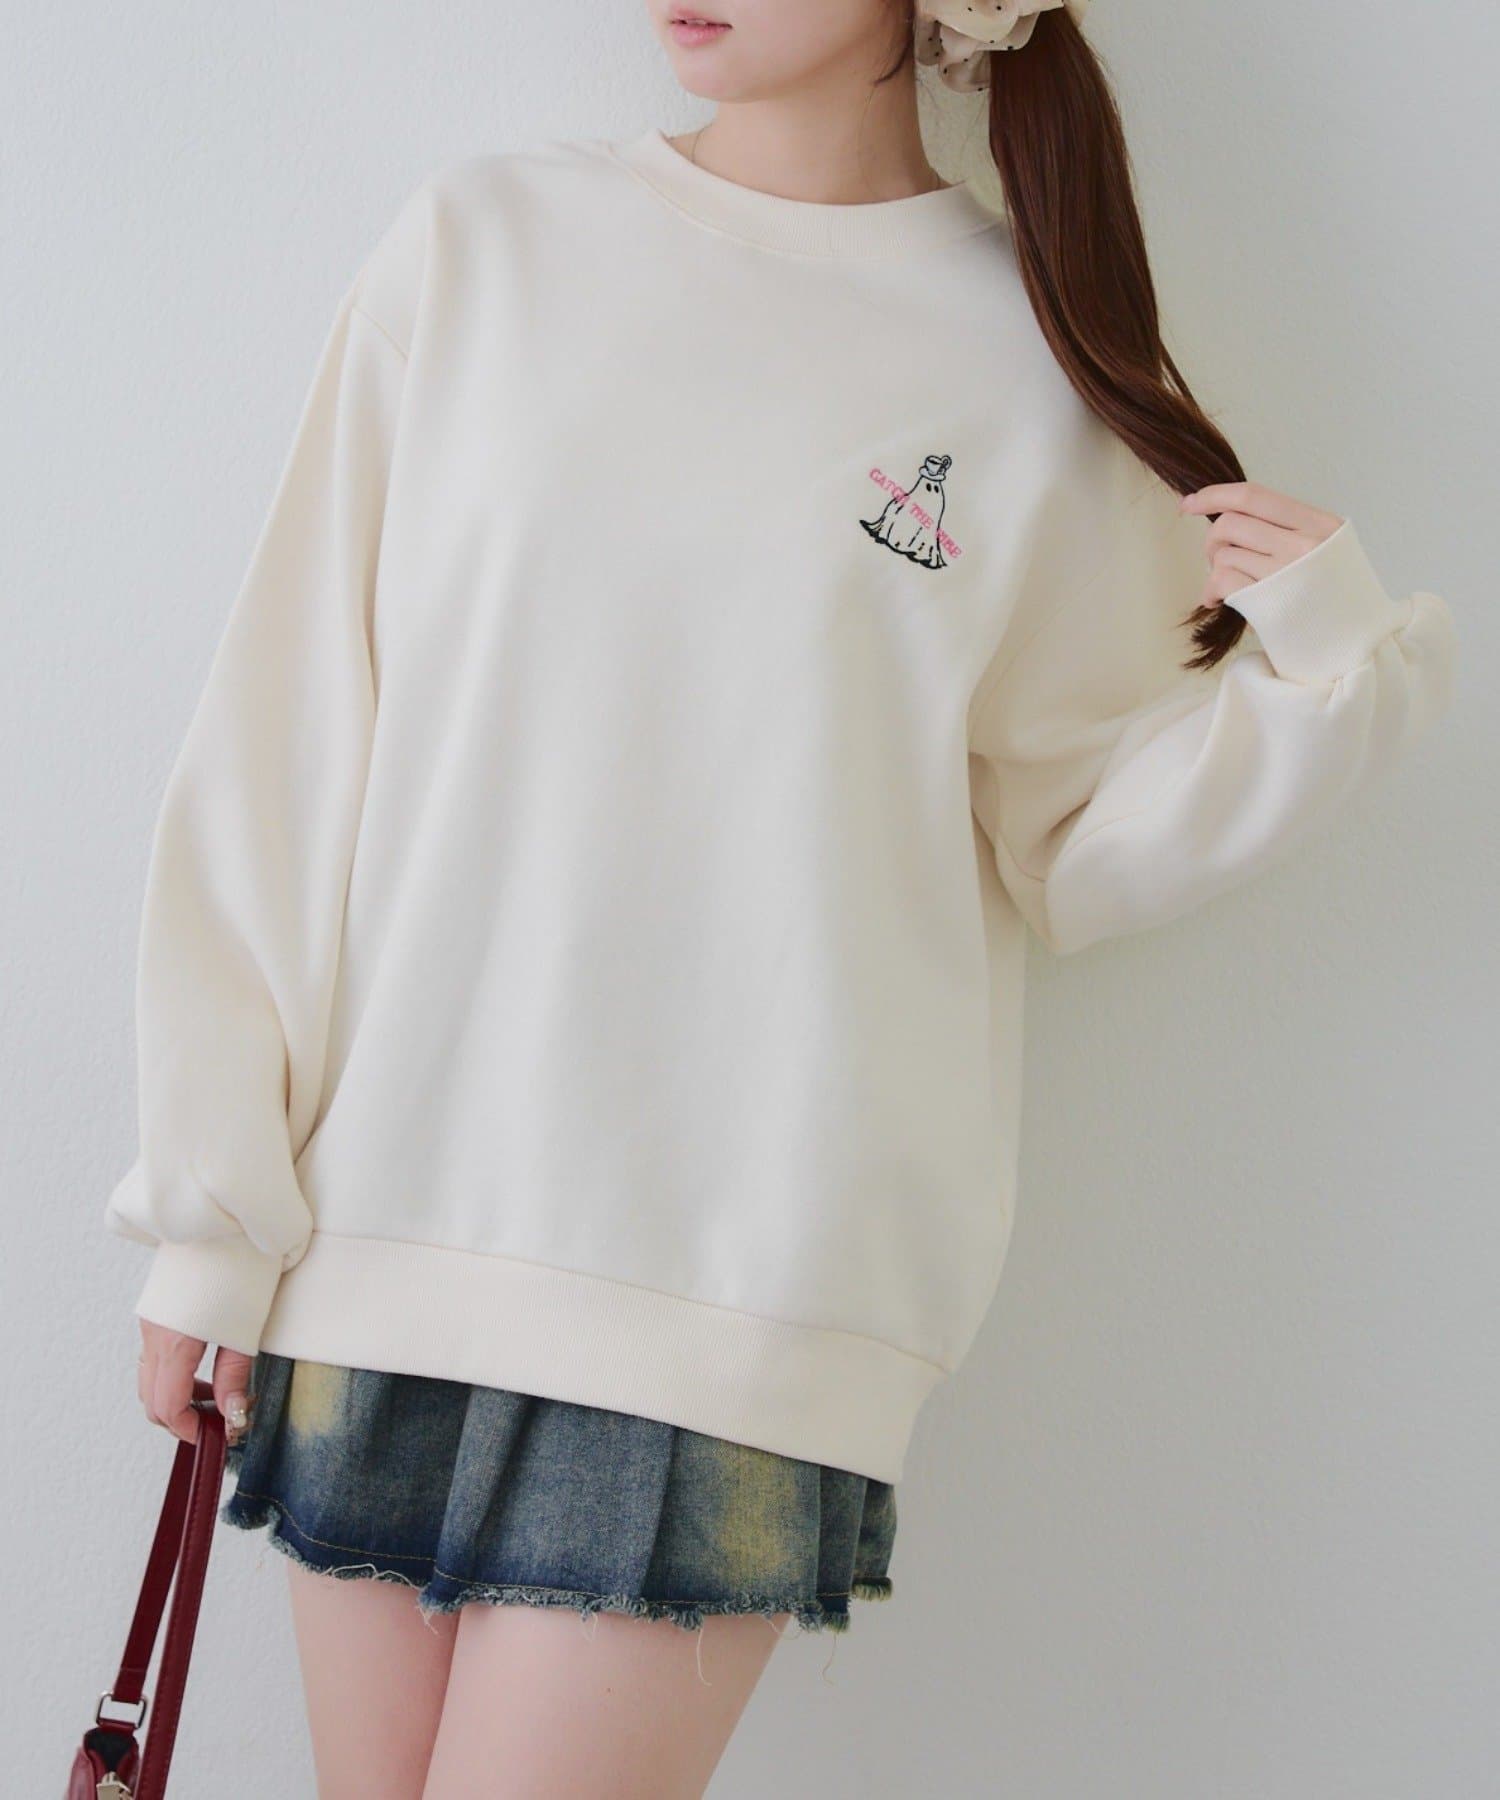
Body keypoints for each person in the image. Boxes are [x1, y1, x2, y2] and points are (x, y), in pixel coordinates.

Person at [105, 0, 1457, 1792]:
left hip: (742, 1287)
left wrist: (1338, 688)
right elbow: (289, 741)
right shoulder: (485, 245)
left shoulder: (1028, 356)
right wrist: (214, 1212)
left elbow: (1074, 839)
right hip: (381, 1240)